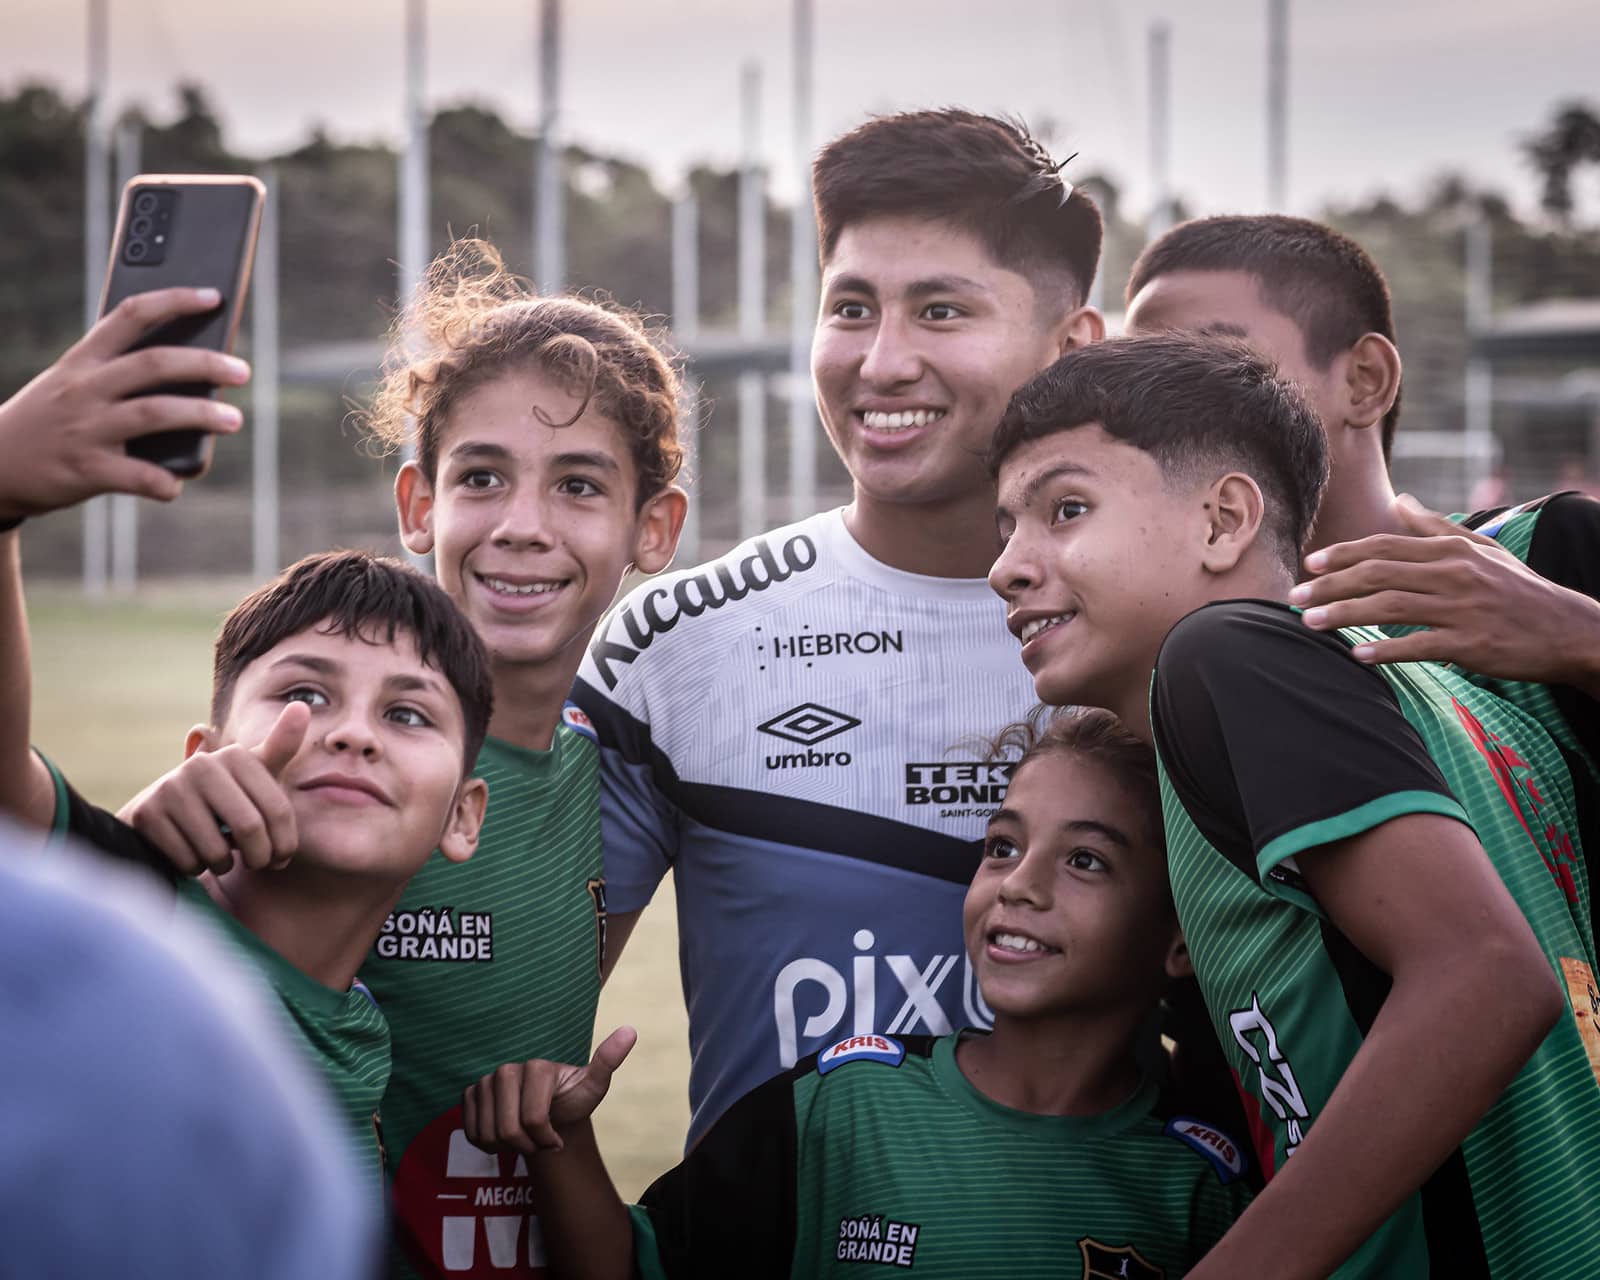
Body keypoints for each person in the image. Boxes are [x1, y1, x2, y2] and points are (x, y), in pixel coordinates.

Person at [127, 238, 690, 1276]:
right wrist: (140, 854)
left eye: (577, 484)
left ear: (652, 529)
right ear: (420, 506)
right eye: (482, 476)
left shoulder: (605, 772)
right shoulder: (335, 778)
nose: (522, 526)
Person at [987, 332, 1600, 1277]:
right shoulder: (1442, 689)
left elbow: (1487, 975)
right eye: (1005, 529)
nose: (1007, 567)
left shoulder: (1224, 655)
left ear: (1225, 520)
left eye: (1065, 509)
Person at [572, 108, 1106, 1144]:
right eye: (851, 308)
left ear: (1070, 345)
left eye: (941, 311)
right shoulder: (676, 640)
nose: (883, 361)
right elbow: (510, 1013)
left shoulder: (1158, 639)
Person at [460, 707, 1252, 1279]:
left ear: (1182, 937)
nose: (1019, 884)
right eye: (1003, 846)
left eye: (1086, 861)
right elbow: (634, 1267)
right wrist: (566, 1141)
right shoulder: (840, 1102)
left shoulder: (1200, 1184)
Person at [0, 303, 494, 1189]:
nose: (350, 731)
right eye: (304, 694)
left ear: (464, 814)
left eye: (408, 714)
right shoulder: (127, 916)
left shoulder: (360, 1032)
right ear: (206, 753)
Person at [1123, 213, 1600, 809]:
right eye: (1138, 378)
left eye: (1213, 363)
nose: (1158, 412)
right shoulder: (1159, 650)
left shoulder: (1549, 550)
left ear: (1365, 380)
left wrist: (1583, 639)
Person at [0, 822, 380, 1279]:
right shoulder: (123, 964)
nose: (357, 745)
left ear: (456, 820)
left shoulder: (367, 1022)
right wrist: (121, 846)